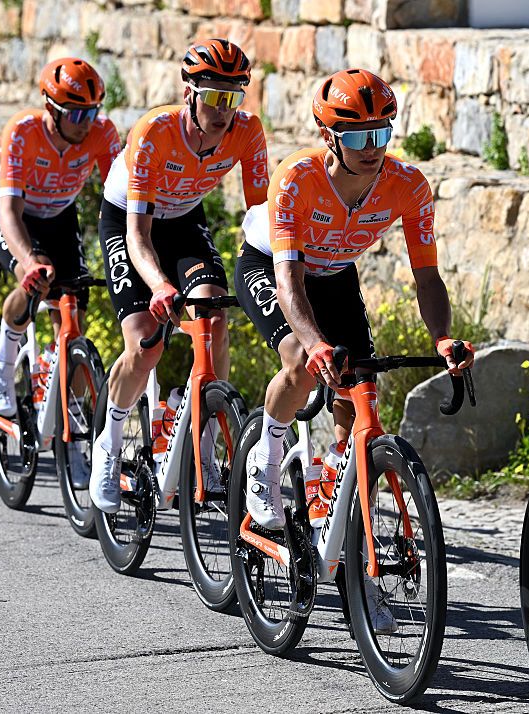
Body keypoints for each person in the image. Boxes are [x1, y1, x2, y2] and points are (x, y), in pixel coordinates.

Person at [235, 67, 475, 531]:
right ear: (328, 136)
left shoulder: (408, 186)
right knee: (300, 360)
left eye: (381, 133)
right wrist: (314, 343)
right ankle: (265, 458)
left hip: (336, 274)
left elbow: (428, 277)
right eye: (358, 137)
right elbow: (287, 279)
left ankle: (333, 477)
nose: (372, 148)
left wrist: (443, 338)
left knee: (360, 387)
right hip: (271, 265)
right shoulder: (296, 178)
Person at [89, 39, 269, 513]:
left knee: (213, 314)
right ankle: (109, 442)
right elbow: (138, 236)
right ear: (189, 91)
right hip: (130, 218)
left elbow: (261, 217)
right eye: (213, 96)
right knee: (146, 341)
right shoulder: (155, 131)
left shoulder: (248, 132)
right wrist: (161, 286)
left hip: (186, 219)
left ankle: (203, 442)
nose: (223, 109)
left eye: (232, 97)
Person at [0, 57, 121, 486]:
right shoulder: (22, 132)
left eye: (92, 112)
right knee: (38, 278)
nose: (86, 123)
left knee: (74, 311)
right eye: (76, 114)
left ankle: (74, 439)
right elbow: (9, 211)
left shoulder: (101, 133)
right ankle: (3, 359)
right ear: (50, 107)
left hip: (60, 214)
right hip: (13, 212)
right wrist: (26, 262)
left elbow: (118, 200)